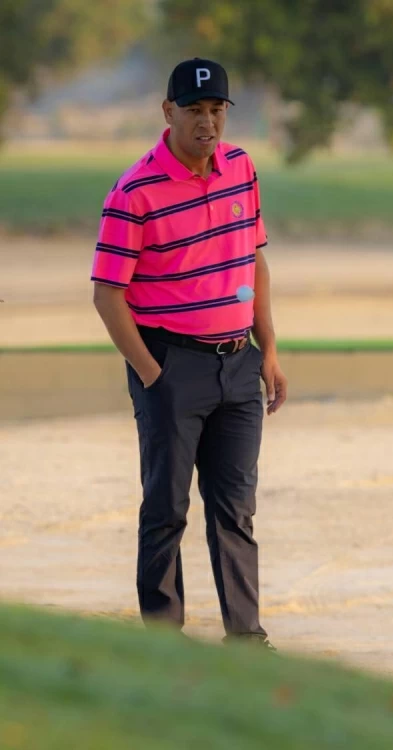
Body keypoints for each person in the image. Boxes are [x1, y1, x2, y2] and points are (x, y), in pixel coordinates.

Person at [91, 58, 288, 647]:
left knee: (236, 509)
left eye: (217, 110)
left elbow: (255, 261)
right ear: (168, 112)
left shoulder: (241, 168)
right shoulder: (134, 191)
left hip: (239, 363)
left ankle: (246, 640)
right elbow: (107, 294)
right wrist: (153, 375)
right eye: (194, 110)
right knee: (166, 509)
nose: (207, 122)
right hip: (171, 365)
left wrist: (269, 351)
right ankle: (163, 643)